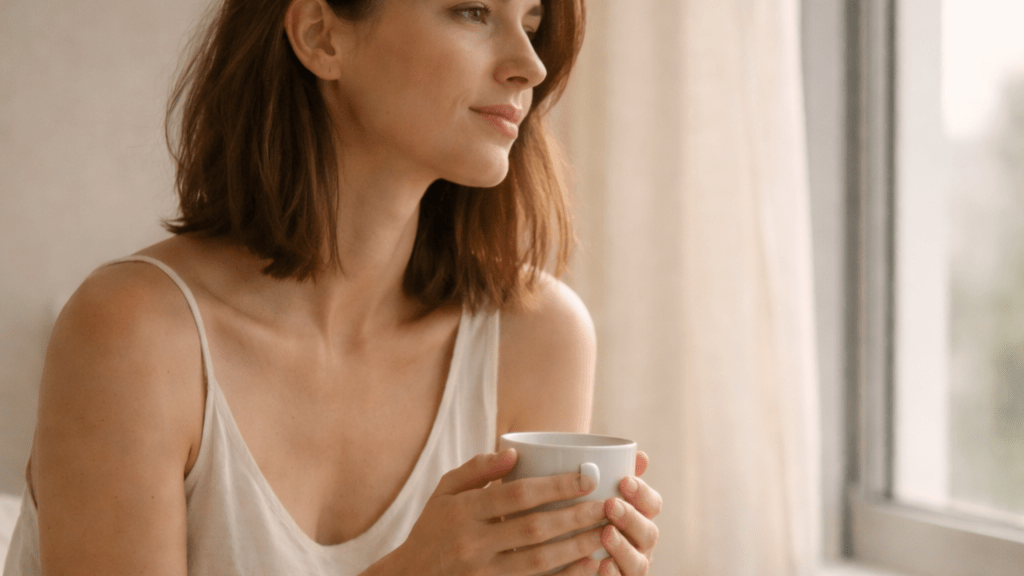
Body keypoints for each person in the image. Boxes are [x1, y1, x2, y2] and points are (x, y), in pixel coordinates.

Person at [3, 0, 661, 574]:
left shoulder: (537, 335)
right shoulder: (132, 334)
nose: (530, 65)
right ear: (322, 35)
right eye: (473, 11)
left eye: (533, 22)